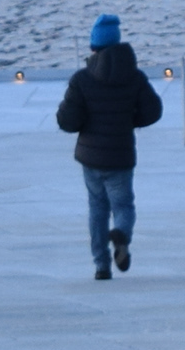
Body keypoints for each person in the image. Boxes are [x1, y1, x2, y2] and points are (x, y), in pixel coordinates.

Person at [54, 15, 163, 282]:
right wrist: (130, 120)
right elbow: (154, 110)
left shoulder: (81, 79)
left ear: (93, 46)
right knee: (124, 205)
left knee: (97, 208)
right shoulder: (135, 77)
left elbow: (67, 121)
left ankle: (101, 266)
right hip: (121, 154)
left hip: (90, 156)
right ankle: (122, 235)